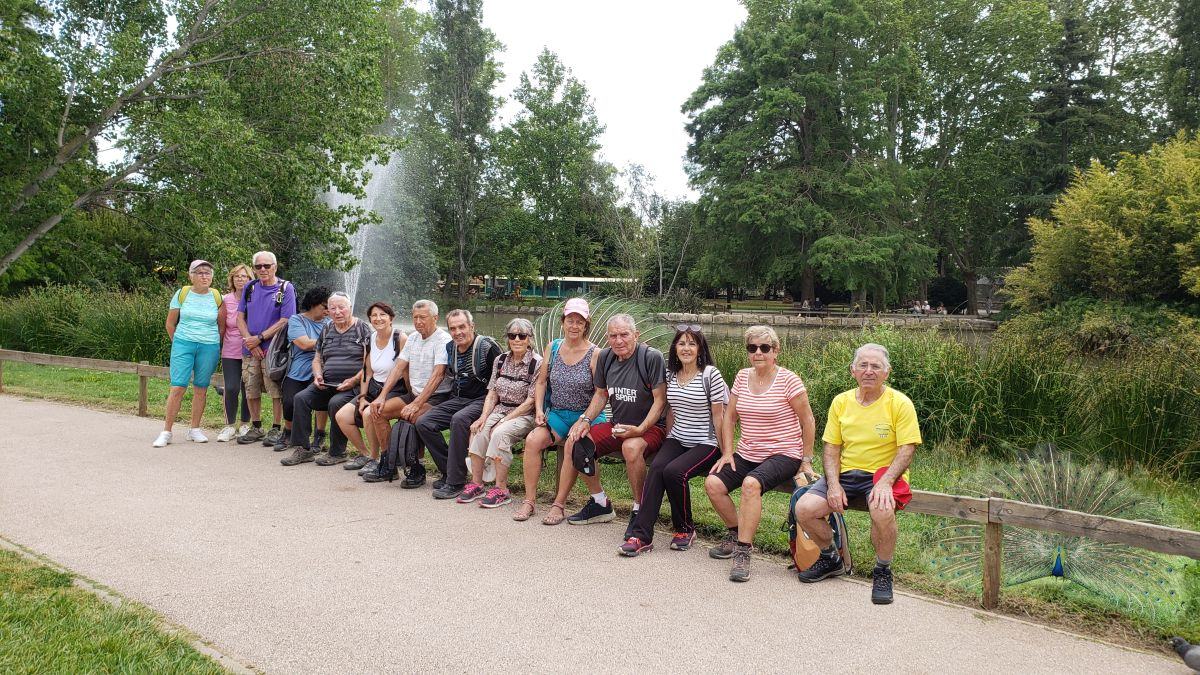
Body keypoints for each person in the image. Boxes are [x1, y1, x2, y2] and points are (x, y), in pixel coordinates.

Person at [794, 343, 921, 604]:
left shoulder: (900, 403)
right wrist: (832, 485)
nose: (869, 371)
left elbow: (907, 449)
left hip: (881, 474)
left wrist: (886, 482)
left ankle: (883, 570)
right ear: (853, 370)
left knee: (882, 510)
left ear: (887, 372)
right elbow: (831, 448)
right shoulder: (841, 402)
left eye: (876, 366)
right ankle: (831, 557)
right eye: (863, 365)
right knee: (804, 508)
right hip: (845, 473)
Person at [704, 324, 816, 582]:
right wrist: (727, 452)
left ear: (776, 351)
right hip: (748, 451)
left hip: (784, 452)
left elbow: (808, 420)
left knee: (751, 484)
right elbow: (730, 417)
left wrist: (806, 460)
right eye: (752, 348)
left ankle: (744, 551)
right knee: (713, 484)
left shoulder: (789, 380)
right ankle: (735, 532)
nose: (758, 353)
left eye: (765, 348)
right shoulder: (742, 377)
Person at [620, 325, 727, 556]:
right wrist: (668, 439)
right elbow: (670, 411)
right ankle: (641, 536)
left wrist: (726, 452)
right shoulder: (670, 374)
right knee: (658, 468)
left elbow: (720, 417)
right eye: (681, 343)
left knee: (674, 472)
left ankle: (685, 529)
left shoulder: (711, 375)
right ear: (675, 348)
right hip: (678, 437)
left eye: (692, 343)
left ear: (700, 348)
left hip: (707, 443)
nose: (686, 348)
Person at [557, 313, 667, 538]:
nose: (619, 341)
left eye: (624, 335)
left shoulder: (651, 357)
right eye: (613, 336)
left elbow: (660, 401)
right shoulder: (606, 357)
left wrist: (641, 429)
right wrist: (585, 420)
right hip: (618, 424)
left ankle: (640, 509)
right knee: (576, 442)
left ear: (635, 335)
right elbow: (600, 394)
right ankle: (600, 503)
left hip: (652, 428)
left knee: (631, 448)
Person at [513, 297, 606, 523]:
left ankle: (559, 504)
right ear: (562, 322)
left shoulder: (596, 353)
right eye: (570, 320)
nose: (574, 326)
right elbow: (542, 382)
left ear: (586, 325)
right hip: (557, 414)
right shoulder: (553, 347)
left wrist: (584, 419)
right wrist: (538, 409)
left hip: (587, 417)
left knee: (573, 444)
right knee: (534, 439)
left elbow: (600, 392)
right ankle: (530, 501)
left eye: (579, 322)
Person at [361, 299, 453, 484]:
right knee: (376, 411)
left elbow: (438, 375)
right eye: (415, 317)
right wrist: (382, 396)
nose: (418, 321)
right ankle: (389, 465)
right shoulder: (412, 338)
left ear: (435, 318)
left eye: (423, 317)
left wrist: (416, 404)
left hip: (437, 397)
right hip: (414, 394)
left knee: (414, 418)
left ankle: (416, 468)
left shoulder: (443, 340)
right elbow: (397, 368)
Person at [417, 309, 502, 500]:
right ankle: (451, 470)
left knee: (459, 420)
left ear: (472, 326)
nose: (458, 332)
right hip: (458, 398)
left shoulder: (488, 347)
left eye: (462, 327)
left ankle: (455, 482)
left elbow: (500, 380)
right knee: (424, 422)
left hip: (484, 399)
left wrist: (490, 411)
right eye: (453, 328)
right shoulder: (450, 347)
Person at [280, 292, 371, 466]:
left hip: (353, 385)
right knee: (300, 398)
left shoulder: (362, 328)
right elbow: (317, 358)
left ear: (350, 308)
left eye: (341, 307)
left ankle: (337, 452)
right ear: (327, 310)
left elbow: (368, 364)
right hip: (327, 383)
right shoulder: (327, 329)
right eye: (333, 308)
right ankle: (303, 449)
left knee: (335, 403)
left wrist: (353, 380)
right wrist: (318, 374)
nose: (337, 312)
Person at [459, 318, 542, 508]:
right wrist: (483, 417)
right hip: (501, 408)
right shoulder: (501, 360)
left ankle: (501, 489)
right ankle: (477, 483)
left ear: (530, 339)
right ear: (508, 338)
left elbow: (531, 401)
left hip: (524, 414)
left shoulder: (537, 363)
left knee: (499, 433)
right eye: (513, 335)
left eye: (522, 336)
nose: (517, 339)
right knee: (479, 430)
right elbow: (492, 392)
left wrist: (504, 420)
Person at [153, 260, 224, 447]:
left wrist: (216, 342)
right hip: (184, 343)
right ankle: (167, 431)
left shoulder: (217, 296)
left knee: (201, 388)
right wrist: (177, 342)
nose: (204, 276)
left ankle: (194, 429)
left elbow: (221, 325)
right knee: (178, 387)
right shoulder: (182, 294)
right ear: (191, 276)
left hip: (209, 345)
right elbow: (170, 323)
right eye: (199, 272)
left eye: (208, 273)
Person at [337, 302, 407, 473]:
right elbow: (367, 372)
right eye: (374, 316)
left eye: (382, 314)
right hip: (374, 388)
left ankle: (378, 459)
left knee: (370, 413)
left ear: (391, 318)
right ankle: (366, 454)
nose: (378, 318)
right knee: (342, 416)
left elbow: (405, 371)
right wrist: (362, 398)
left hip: (396, 390)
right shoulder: (369, 339)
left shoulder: (400, 338)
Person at [236, 251, 296, 446]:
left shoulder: (285, 288)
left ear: (275, 267)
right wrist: (249, 341)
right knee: (250, 388)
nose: (263, 269)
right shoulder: (250, 287)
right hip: (250, 349)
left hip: (273, 350)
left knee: (275, 390)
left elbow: (286, 320)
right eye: (258, 266)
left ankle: (276, 428)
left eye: (267, 266)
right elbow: (239, 317)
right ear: (254, 269)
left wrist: (260, 338)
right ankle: (256, 426)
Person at [275, 287, 331, 452]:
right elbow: (304, 344)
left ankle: (319, 434)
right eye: (324, 306)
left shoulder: (330, 322)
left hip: (323, 367)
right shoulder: (297, 320)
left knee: (322, 400)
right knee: (290, 401)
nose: (328, 310)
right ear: (313, 304)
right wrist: (328, 340)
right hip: (299, 369)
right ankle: (288, 431)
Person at [217, 264, 253, 442]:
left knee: (248, 389)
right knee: (231, 387)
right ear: (232, 279)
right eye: (237, 276)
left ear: (250, 279)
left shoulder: (255, 298)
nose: (240, 279)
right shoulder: (226, 299)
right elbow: (222, 327)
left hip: (251, 350)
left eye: (244, 276)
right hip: (230, 350)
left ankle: (245, 424)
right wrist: (218, 348)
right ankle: (229, 426)